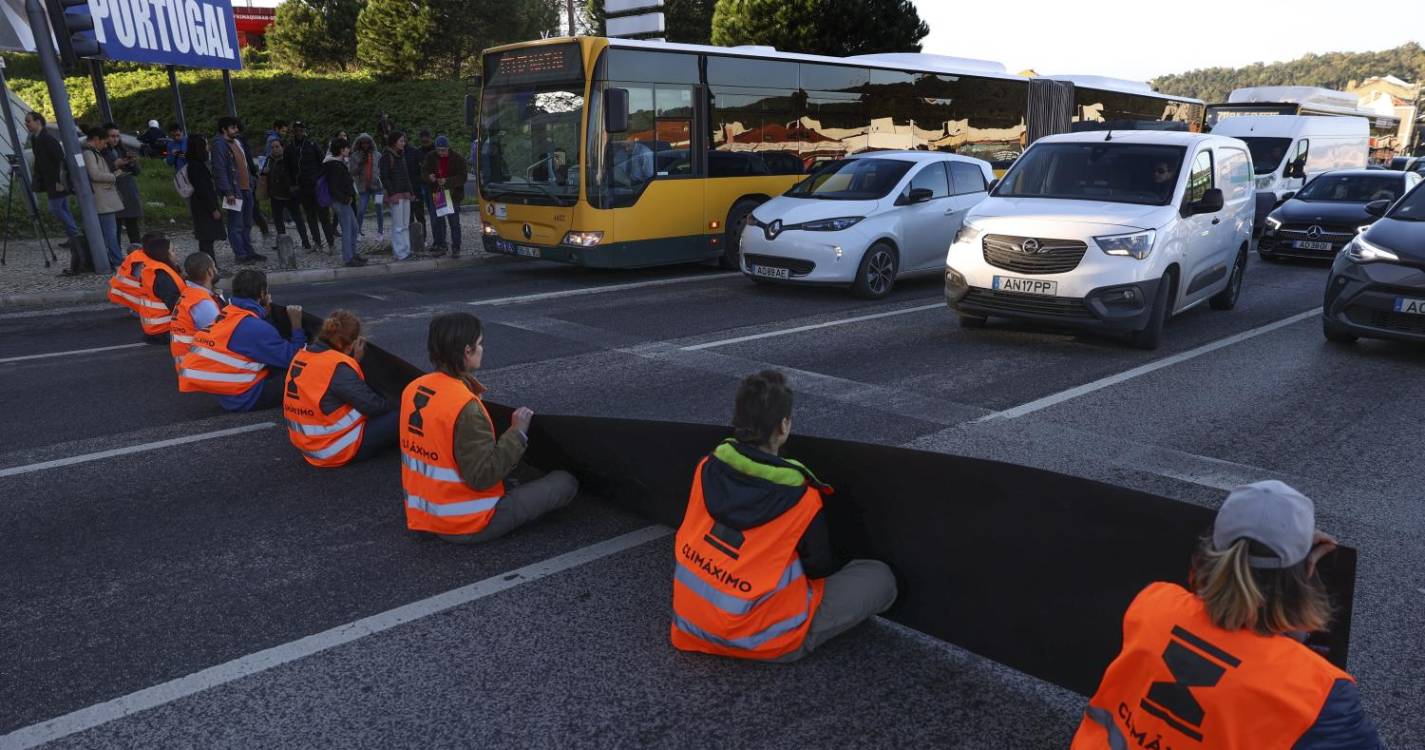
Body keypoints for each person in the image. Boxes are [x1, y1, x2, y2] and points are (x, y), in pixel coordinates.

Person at [1071, 481, 1383, 749]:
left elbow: (1204, 606)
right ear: (1307, 572)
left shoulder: (1152, 604)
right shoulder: (1318, 697)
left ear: (1211, 554)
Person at [671, 370, 897, 662]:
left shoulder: (707, 467)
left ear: (737, 422)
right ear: (783, 426)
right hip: (764, 638)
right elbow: (819, 568)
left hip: (692, 622)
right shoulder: (800, 497)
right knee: (880, 578)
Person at [400, 312, 578, 542]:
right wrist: (517, 433)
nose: (482, 349)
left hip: (425, 513)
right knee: (565, 482)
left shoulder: (413, 388)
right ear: (467, 351)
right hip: (465, 522)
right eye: (479, 343)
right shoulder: (464, 407)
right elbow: (482, 477)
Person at [177, 269, 305, 412]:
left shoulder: (229, 313)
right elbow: (294, 358)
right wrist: (296, 325)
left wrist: (265, 313)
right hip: (248, 397)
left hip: (229, 395)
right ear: (262, 293)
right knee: (304, 373)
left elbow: (256, 341)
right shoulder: (254, 327)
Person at [285, 310, 398, 467]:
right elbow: (374, 407)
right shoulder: (337, 368)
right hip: (332, 449)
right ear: (351, 345)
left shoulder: (303, 354)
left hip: (307, 446)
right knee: (401, 415)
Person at [24, 112, 85, 274]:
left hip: (56, 182)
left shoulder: (47, 139)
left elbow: (60, 160)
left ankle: (75, 234)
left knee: (56, 208)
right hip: (50, 182)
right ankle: (74, 236)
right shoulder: (36, 139)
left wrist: (60, 181)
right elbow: (40, 161)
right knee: (62, 208)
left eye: (28, 121)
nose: (26, 124)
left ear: (38, 121)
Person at [211, 116, 261, 264]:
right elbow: (219, 170)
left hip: (246, 188)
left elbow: (245, 163)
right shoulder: (219, 145)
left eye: (236, 127)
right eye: (233, 128)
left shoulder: (237, 142)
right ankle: (240, 254)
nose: (236, 130)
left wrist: (251, 181)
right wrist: (228, 191)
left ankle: (248, 251)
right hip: (234, 190)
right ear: (224, 129)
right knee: (236, 224)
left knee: (247, 223)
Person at [169, 251, 223, 369]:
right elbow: (222, 337)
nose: (216, 269)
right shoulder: (203, 304)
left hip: (188, 363)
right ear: (210, 272)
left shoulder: (190, 293)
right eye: (214, 266)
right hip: (199, 367)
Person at [288, 121, 336, 251]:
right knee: (310, 217)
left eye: (301, 129)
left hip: (317, 187)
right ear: (293, 132)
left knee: (324, 216)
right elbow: (289, 169)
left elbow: (323, 162)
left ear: (304, 131)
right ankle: (317, 243)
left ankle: (331, 243)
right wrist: (292, 184)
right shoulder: (290, 148)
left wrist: (321, 180)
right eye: (296, 130)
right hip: (302, 188)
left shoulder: (312, 145)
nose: (298, 132)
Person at [82, 125, 125, 268]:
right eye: (104, 142)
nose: (106, 145)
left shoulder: (92, 153)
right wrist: (113, 176)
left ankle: (113, 259)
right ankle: (117, 260)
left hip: (103, 198)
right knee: (110, 233)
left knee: (109, 232)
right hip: (102, 199)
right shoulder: (89, 154)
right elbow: (95, 175)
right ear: (96, 139)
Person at [184, 135, 227, 267]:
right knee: (207, 239)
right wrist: (213, 208)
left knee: (207, 238)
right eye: (206, 145)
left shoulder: (194, 165)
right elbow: (203, 190)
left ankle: (210, 265)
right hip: (204, 208)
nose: (208, 148)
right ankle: (209, 266)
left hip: (201, 206)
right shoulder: (197, 166)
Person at [423, 135, 468, 257]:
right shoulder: (431, 156)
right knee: (438, 222)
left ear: (448, 148)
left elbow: (463, 177)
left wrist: (447, 181)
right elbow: (424, 171)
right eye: (439, 150)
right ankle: (441, 245)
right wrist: (429, 177)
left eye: (443, 150)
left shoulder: (457, 158)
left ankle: (456, 247)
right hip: (438, 193)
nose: (441, 153)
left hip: (453, 194)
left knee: (454, 222)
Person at [133, 234, 183, 344]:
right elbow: (178, 306)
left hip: (155, 329)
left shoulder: (151, 268)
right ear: (164, 254)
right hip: (165, 331)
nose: (176, 253)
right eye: (172, 250)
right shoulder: (162, 275)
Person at [323, 138, 364, 267]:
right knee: (348, 229)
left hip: (344, 201)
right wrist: (345, 199)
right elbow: (333, 187)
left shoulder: (338, 163)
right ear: (341, 150)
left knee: (354, 227)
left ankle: (353, 254)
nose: (349, 149)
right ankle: (348, 258)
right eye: (347, 148)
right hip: (340, 201)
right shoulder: (334, 165)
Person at [264, 139, 311, 250]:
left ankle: (305, 242)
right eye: (272, 147)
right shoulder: (269, 160)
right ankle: (282, 242)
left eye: (277, 146)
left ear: (282, 147)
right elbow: (265, 174)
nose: (274, 149)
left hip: (289, 195)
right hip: (275, 195)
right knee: (278, 220)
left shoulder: (289, 159)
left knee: (298, 219)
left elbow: (296, 174)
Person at [103, 122, 144, 245]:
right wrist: (115, 165)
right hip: (113, 191)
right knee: (115, 228)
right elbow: (99, 172)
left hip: (128, 190)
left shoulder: (122, 150)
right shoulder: (102, 152)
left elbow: (137, 172)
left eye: (117, 136)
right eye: (112, 136)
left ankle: (137, 252)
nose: (115, 139)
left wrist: (131, 163)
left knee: (133, 227)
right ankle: (116, 254)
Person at [381, 132, 415, 261]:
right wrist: (392, 193)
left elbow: (406, 176)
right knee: (398, 226)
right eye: (401, 141)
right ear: (394, 142)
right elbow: (384, 177)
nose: (403, 143)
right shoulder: (386, 157)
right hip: (396, 195)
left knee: (405, 224)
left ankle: (406, 250)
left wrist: (411, 192)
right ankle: (400, 253)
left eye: (404, 141)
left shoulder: (401, 155)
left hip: (405, 194)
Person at [349, 132, 384, 244]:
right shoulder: (355, 156)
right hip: (364, 189)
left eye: (367, 142)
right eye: (362, 143)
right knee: (361, 210)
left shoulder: (377, 155)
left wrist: (380, 178)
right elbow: (352, 172)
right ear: (359, 143)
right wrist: (360, 164)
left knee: (379, 208)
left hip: (377, 188)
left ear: (370, 143)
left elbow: (382, 169)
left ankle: (380, 232)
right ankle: (358, 232)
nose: (365, 145)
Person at [404, 130, 429, 243]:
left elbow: (421, 170)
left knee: (419, 215)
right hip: (403, 190)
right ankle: (410, 239)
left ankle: (422, 238)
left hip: (416, 188)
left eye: (404, 139)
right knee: (408, 217)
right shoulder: (396, 153)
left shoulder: (414, 152)